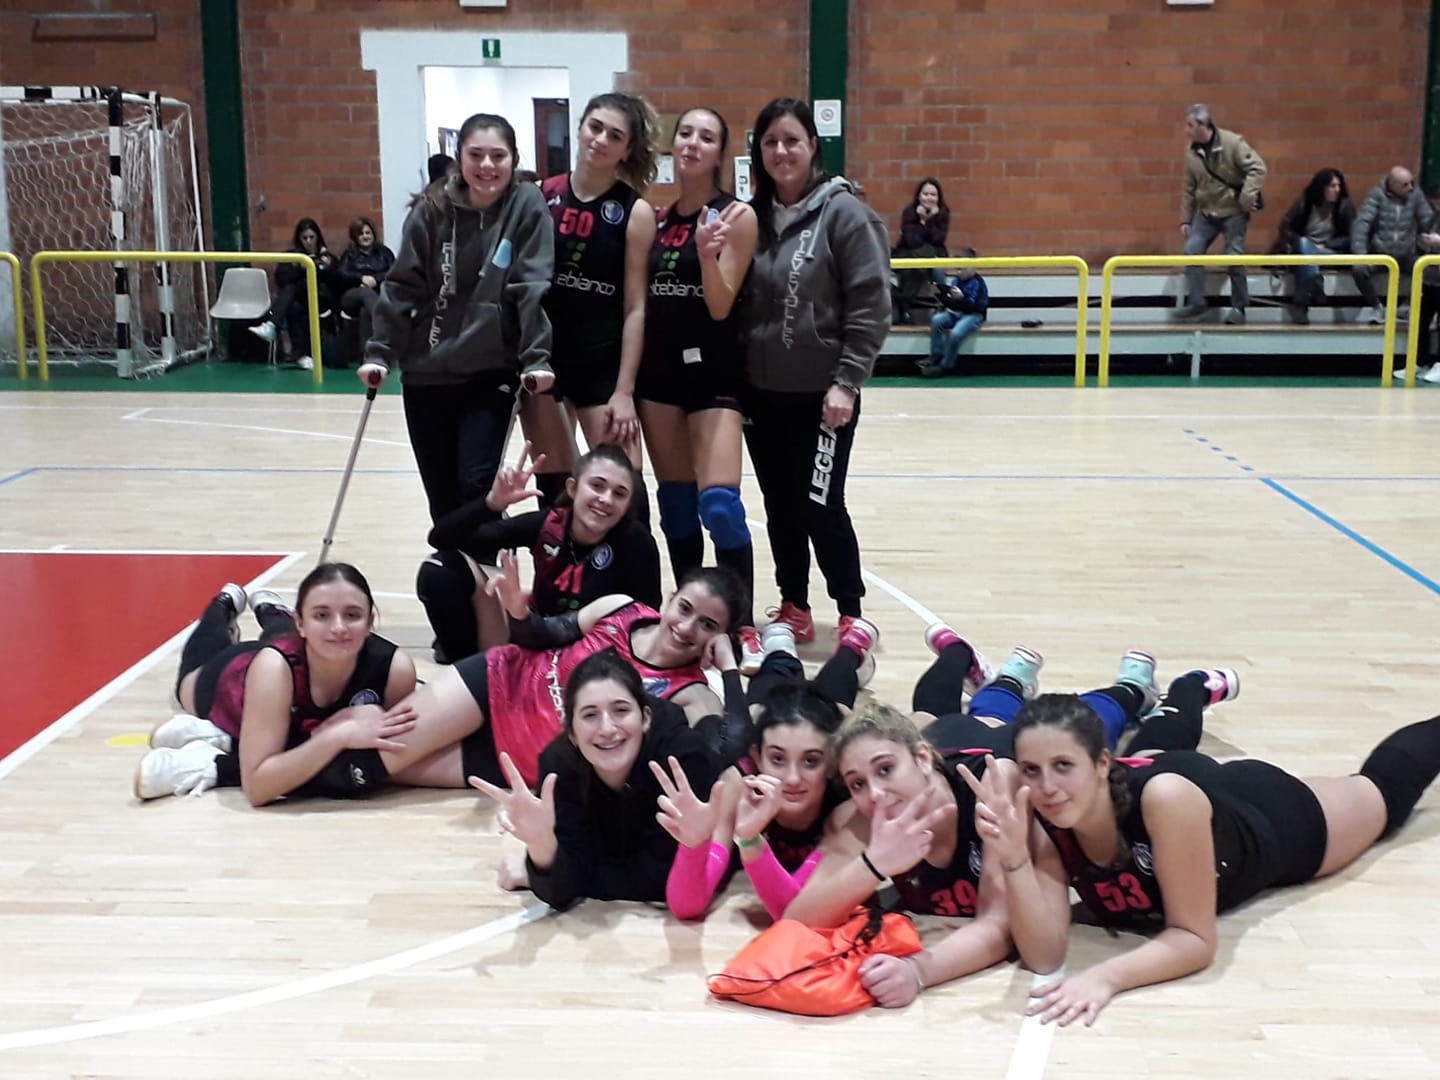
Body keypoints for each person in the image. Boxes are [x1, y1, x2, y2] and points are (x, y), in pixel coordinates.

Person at [985, 673, 1440, 1027]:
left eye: (1063, 765)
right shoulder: (1042, 815)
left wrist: (1105, 978)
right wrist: (1014, 858)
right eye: (1032, 769)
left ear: (1103, 763)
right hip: (1166, 776)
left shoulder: (1164, 800)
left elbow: (1194, 940)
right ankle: (1192, 689)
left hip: (1269, 816)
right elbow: (1045, 956)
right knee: (1159, 747)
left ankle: (1188, 688)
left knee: (1383, 790)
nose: (1047, 786)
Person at [781, 628, 1160, 1008]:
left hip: (983, 747)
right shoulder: (862, 816)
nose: (875, 793)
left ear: (922, 759)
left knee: (1089, 725)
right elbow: (797, 919)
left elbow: (999, 926)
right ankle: (1012, 676)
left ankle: (1131, 688)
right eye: (857, 783)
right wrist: (873, 864)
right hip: (948, 742)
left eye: (885, 770)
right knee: (989, 710)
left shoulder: (995, 789)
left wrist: (919, 971)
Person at [264, 565, 749, 807]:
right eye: (685, 608)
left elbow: (728, 748)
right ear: (670, 598)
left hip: (510, 756)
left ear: (719, 637)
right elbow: (541, 635)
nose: (687, 627)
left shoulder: (692, 694)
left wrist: (728, 669)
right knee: (380, 745)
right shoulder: (622, 608)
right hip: (496, 681)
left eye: (708, 625)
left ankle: (266, 755)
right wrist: (519, 613)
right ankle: (262, 754)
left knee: (365, 776)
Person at [358, 113, 555, 534]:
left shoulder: (526, 205)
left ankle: (490, 572)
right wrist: (380, 352)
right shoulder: (431, 209)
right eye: (476, 155)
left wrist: (536, 356)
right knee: (443, 499)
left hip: (489, 372)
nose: (487, 166)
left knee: (478, 489)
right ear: (459, 157)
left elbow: (531, 284)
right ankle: (457, 575)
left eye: (498, 156)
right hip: (426, 373)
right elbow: (402, 286)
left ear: (514, 159)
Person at [739, 97, 890, 645]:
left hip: (822, 396)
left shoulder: (844, 214)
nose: (781, 151)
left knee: (820, 505)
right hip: (761, 395)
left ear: (812, 148)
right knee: (780, 506)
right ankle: (794, 605)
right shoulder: (749, 218)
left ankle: (851, 611)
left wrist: (847, 381)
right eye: (770, 142)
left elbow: (872, 303)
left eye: (791, 141)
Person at [471, 650, 740, 910]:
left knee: (731, 759)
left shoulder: (683, 758)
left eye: (621, 710)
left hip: (710, 828)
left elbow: (663, 880)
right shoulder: (557, 766)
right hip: (624, 857)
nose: (607, 728)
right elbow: (561, 892)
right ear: (572, 732)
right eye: (590, 715)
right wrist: (541, 846)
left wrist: (560, 873)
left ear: (645, 717)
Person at [637, 106, 760, 664]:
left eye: (706, 137)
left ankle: (740, 621)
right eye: (685, 133)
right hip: (659, 376)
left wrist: (709, 255)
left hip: (714, 373)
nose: (692, 143)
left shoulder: (736, 215)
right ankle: (690, 623)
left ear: (719, 154)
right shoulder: (658, 221)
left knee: (720, 506)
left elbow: (719, 304)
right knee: (678, 509)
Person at [132, 565, 418, 805]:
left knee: (295, 640)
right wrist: (338, 736)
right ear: (301, 622)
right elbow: (258, 789)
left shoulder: (394, 670)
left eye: (352, 615)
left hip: (296, 655)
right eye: (322, 615)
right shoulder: (274, 668)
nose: (339, 627)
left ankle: (271, 610)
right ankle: (221, 607)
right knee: (191, 676)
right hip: (231, 678)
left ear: (370, 621)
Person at [659, 618, 876, 920]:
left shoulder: (849, 806)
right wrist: (693, 846)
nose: (792, 778)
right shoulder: (737, 784)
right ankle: (778, 645)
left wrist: (750, 842)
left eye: (811, 761)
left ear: (831, 763)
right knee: (766, 694)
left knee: (836, 702)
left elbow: (795, 913)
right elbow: (686, 906)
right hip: (763, 723)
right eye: (777, 759)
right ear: (757, 758)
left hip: (832, 721)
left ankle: (851, 649)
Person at [524, 92, 659, 522]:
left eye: (615, 135)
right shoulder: (540, 196)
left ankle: (636, 570)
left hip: (603, 368)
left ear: (627, 149)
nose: (601, 140)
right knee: (555, 496)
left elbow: (636, 308)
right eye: (595, 127)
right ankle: (559, 568)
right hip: (546, 363)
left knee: (625, 494)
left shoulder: (635, 212)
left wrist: (625, 391)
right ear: (580, 127)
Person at [417, 441, 661, 663]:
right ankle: (464, 667)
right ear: (573, 488)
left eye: (619, 493)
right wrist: (491, 504)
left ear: (628, 504)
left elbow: (645, 620)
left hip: (594, 655)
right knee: (439, 569)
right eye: (597, 486)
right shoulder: (549, 525)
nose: (606, 499)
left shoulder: (636, 543)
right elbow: (441, 539)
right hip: (532, 636)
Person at [1176, 104, 1267, 325]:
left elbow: (1258, 168)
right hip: (1206, 212)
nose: (1186, 130)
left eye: (1190, 125)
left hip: (1233, 211)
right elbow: (1189, 187)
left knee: (1233, 257)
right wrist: (1186, 219)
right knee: (1192, 251)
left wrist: (1247, 197)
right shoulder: (1191, 153)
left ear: (1203, 125)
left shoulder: (1233, 143)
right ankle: (1196, 302)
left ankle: (1239, 308)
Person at [1351, 166, 1439, 329]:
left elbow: (1428, 219)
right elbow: (1362, 224)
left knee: (1427, 270)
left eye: (1411, 183)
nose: (1410, 188)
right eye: (1405, 185)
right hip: (1380, 255)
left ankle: (1407, 306)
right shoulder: (1376, 195)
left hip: (1407, 254)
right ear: (1392, 185)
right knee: (1359, 269)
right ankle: (1377, 306)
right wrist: (1360, 254)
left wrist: (1429, 239)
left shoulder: (1416, 195)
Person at [249, 217, 340, 370]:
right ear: (299, 239)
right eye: (304, 238)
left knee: (292, 291)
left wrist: (325, 267)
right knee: (293, 305)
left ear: (318, 237)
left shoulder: (327, 258)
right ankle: (302, 355)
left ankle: (272, 324)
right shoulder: (292, 257)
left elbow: (337, 282)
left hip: (322, 301)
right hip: (299, 300)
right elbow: (281, 280)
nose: (309, 242)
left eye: (312, 237)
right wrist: (299, 269)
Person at [1275, 169, 1358, 324]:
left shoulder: (1344, 206)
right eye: (1332, 186)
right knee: (1304, 249)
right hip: (1305, 248)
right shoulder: (1305, 202)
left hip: (1329, 251)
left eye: (1339, 186)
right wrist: (1301, 243)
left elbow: (1353, 236)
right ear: (1322, 187)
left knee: (1305, 260)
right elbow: (1285, 228)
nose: (1337, 190)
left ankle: (1301, 304)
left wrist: (1327, 244)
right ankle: (1314, 281)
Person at [334, 217, 396, 363]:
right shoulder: (349, 254)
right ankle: (383, 326)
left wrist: (375, 280)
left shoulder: (384, 253)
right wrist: (361, 279)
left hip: (378, 295)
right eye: (361, 234)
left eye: (368, 233)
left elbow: (394, 272)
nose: (365, 236)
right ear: (355, 237)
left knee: (365, 312)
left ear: (373, 234)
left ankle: (368, 356)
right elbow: (341, 274)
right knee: (365, 292)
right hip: (352, 296)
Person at [917, 249, 988, 378]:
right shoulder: (956, 281)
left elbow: (973, 307)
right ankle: (936, 354)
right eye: (956, 269)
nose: (958, 272)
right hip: (958, 312)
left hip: (974, 314)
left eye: (962, 269)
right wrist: (940, 295)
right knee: (937, 320)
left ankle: (945, 365)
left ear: (973, 268)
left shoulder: (977, 283)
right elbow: (952, 304)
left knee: (955, 334)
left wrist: (961, 298)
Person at [891, 177, 950, 325]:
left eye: (933, 195)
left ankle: (904, 302)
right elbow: (912, 240)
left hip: (933, 255)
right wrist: (923, 221)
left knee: (932, 264)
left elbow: (938, 239)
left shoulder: (943, 214)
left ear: (938, 197)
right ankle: (907, 305)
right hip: (908, 254)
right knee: (917, 265)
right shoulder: (909, 213)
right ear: (919, 196)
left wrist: (927, 221)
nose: (929, 198)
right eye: (925, 194)